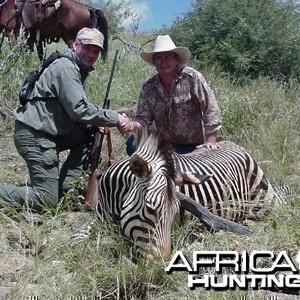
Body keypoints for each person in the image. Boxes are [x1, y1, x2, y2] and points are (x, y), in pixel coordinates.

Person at [0, 27, 131, 211]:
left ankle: (67, 188)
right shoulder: (66, 68)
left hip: (47, 133)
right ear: (76, 44)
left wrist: (98, 122)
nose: (92, 54)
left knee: (89, 131)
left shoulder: (73, 67)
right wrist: (114, 118)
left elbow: (76, 110)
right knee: (46, 200)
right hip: (35, 136)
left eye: (96, 51)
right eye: (88, 48)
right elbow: (78, 109)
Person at [126, 35, 222, 155]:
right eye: (159, 58)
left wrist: (211, 140)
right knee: (133, 144)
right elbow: (143, 120)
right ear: (154, 62)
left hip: (193, 146)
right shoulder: (148, 87)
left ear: (176, 59)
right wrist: (130, 125)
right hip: (164, 145)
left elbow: (211, 109)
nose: (163, 62)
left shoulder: (192, 78)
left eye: (168, 57)